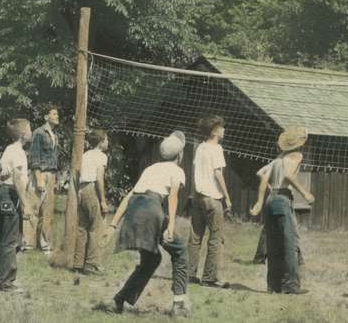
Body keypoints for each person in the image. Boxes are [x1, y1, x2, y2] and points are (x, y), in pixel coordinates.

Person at [109, 130, 191, 317]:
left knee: (151, 260)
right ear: (180, 154)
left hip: (135, 208)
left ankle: (119, 299)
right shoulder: (177, 171)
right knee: (180, 250)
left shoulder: (151, 168)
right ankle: (178, 304)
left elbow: (130, 195)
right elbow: (173, 197)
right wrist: (170, 227)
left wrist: (113, 224)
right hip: (151, 209)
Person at [250, 126, 315, 295]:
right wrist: (305, 193)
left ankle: (273, 286)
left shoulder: (277, 159)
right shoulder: (297, 156)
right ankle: (291, 286)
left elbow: (261, 174)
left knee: (273, 244)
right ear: (300, 144)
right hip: (283, 198)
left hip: (271, 200)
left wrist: (259, 200)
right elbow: (289, 176)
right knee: (289, 244)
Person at [188, 115, 232, 288]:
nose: (224, 130)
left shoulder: (200, 148)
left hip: (198, 197)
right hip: (213, 198)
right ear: (215, 131)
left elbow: (196, 172)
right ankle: (209, 278)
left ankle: (190, 274)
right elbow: (218, 174)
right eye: (222, 127)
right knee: (215, 238)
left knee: (195, 237)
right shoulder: (217, 148)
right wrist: (227, 197)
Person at [0, 118, 33, 292]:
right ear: (24, 134)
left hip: (2, 193)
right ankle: (6, 282)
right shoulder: (18, 152)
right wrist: (26, 204)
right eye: (30, 129)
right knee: (10, 240)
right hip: (11, 195)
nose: (31, 131)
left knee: (1, 238)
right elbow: (16, 178)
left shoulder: (9, 149)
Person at [73, 128, 111, 275]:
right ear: (101, 142)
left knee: (82, 228)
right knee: (96, 228)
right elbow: (99, 179)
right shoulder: (101, 156)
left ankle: (77, 263)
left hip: (81, 190)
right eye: (106, 140)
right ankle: (91, 265)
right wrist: (102, 200)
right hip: (92, 189)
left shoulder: (86, 154)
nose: (108, 142)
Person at [27, 105, 61, 252]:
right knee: (34, 209)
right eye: (54, 114)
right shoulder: (39, 133)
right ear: (46, 117)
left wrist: (57, 178)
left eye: (57, 114)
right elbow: (34, 156)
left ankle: (45, 244)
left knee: (48, 212)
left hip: (52, 174)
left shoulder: (55, 135)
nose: (57, 116)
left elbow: (55, 158)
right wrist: (38, 178)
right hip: (40, 174)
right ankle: (28, 243)